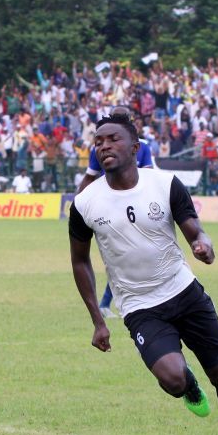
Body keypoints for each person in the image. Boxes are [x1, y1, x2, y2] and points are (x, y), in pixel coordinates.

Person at [69, 112, 218, 435]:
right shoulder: (85, 203)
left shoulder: (165, 184)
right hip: (140, 307)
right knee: (173, 378)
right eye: (98, 142)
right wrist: (98, 319)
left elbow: (194, 229)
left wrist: (203, 244)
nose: (104, 146)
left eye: (112, 139)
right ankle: (188, 385)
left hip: (184, 292)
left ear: (135, 146)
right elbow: (80, 261)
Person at [77, 106, 154, 320]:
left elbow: (148, 177)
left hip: (131, 208)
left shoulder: (139, 146)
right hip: (113, 208)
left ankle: (112, 303)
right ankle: (113, 303)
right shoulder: (104, 148)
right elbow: (90, 176)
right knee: (123, 257)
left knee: (125, 257)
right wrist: (77, 207)